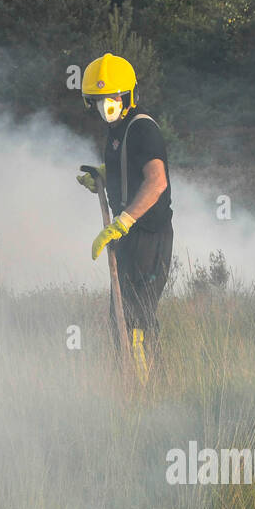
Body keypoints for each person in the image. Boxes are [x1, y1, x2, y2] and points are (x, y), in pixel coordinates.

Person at [76, 52, 173, 385]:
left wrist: (123, 221)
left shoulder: (142, 128)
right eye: (100, 100)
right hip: (129, 235)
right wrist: (103, 176)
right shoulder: (115, 131)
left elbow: (156, 181)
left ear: (128, 95)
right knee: (120, 312)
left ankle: (147, 390)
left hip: (148, 234)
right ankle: (125, 381)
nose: (107, 106)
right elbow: (127, 167)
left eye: (113, 98)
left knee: (137, 318)